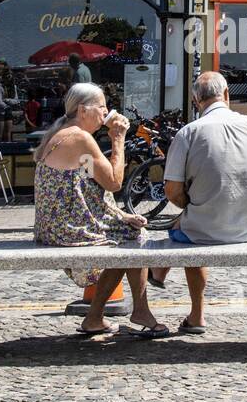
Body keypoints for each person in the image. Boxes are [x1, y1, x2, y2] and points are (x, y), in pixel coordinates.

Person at [31, 82, 161, 338]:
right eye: (101, 107)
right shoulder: (80, 139)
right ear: (83, 110)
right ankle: (139, 311)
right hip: (67, 229)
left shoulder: (62, 134)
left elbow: (93, 187)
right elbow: (114, 182)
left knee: (126, 231)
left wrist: (122, 215)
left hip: (53, 226)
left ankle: (95, 318)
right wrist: (118, 138)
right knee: (133, 240)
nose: (105, 113)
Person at [146, 72, 247, 335]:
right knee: (193, 219)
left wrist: (190, 202)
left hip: (208, 227)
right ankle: (159, 273)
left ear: (195, 100)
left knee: (190, 225)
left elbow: (172, 191)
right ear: (226, 95)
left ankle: (196, 313)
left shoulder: (189, 132)